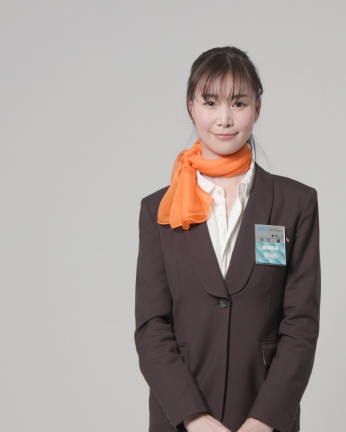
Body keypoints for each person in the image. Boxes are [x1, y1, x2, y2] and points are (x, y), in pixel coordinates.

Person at [134, 46, 320, 432]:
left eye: (238, 103)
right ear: (190, 107)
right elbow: (152, 326)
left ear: (258, 108)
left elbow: (300, 325)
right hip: (181, 421)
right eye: (210, 102)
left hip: (264, 418)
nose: (224, 118)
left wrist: (264, 421)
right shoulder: (159, 210)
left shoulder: (296, 203)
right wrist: (193, 417)